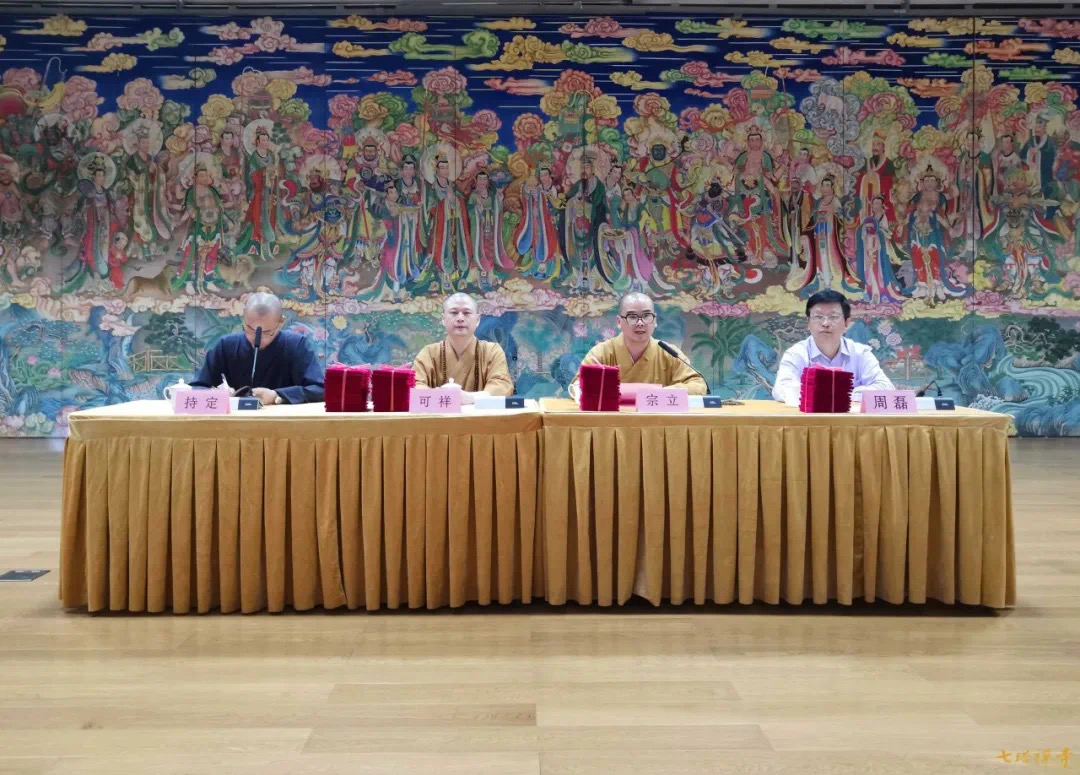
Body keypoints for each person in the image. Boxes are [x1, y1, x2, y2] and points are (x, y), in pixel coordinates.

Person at [190, 292, 324, 405]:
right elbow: (197, 387)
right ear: (243, 317)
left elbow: (320, 390)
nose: (256, 339)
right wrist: (216, 394)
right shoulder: (226, 346)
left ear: (280, 323)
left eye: (266, 332)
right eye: (249, 328)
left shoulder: (296, 345)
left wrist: (277, 395)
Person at [568, 292, 706, 398]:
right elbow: (577, 386)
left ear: (655, 320)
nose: (640, 323)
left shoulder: (668, 353)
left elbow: (698, 385)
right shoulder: (603, 352)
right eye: (632, 317)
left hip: (657, 421)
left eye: (646, 316)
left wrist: (659, 393)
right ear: (619, 322)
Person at [771, 290, 894, 405]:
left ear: (846, 323)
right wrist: (834, 393)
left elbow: (886, 388)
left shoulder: (860, 353)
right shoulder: (796, 354)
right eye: (818, 317)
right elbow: (781, 389)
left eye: (833, 317)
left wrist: (844, 394)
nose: (825, 323)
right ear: (808, 323)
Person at [412, 293, 513, 403]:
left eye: (466, 313)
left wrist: (469, 398)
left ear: (477, 320)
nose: (460, 318)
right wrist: (441, 396)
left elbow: (502, 385)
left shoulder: (492, 351)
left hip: (481, 414)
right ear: (443, 319)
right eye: (454, 313)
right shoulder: (429, 353)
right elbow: (414, 386)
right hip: (440, 413)